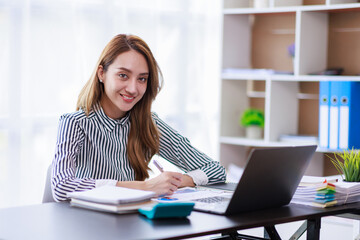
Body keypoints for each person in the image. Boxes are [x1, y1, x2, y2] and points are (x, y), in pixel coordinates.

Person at [51, 34, 226, 202]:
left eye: (142, 79)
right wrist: (145, 187)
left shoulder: (149, 123)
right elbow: (61, 187)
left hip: (132, 223)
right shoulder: (75, 123)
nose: (133, 89)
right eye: (123, 75)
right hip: (88, 225)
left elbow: (215, 170)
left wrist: (174, 182)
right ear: (101, 73)